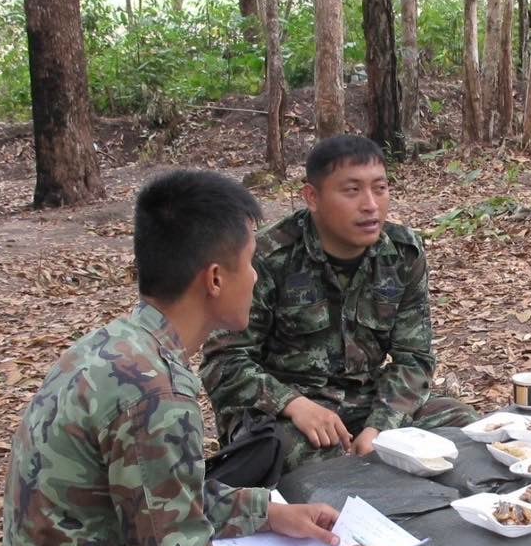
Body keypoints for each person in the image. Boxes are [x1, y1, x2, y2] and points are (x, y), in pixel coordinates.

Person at [2, 170, 404, 546]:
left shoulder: (111, 349)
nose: (257, 276)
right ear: (215, 278)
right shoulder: (155, 396)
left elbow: (157, 498)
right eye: (250, 263)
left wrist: (266, 514)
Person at [202, 135, 473, 473]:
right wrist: (293, 404)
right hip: (283, 413)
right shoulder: (267, 257)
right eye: (352, 190)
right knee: (300, 457)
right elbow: (223, 362)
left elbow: (414, 358)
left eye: (380, 188)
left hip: (367, 402)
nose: (370, 205)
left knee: (461, 427)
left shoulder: (402, 254)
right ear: (312, 197)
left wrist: (381, 427)